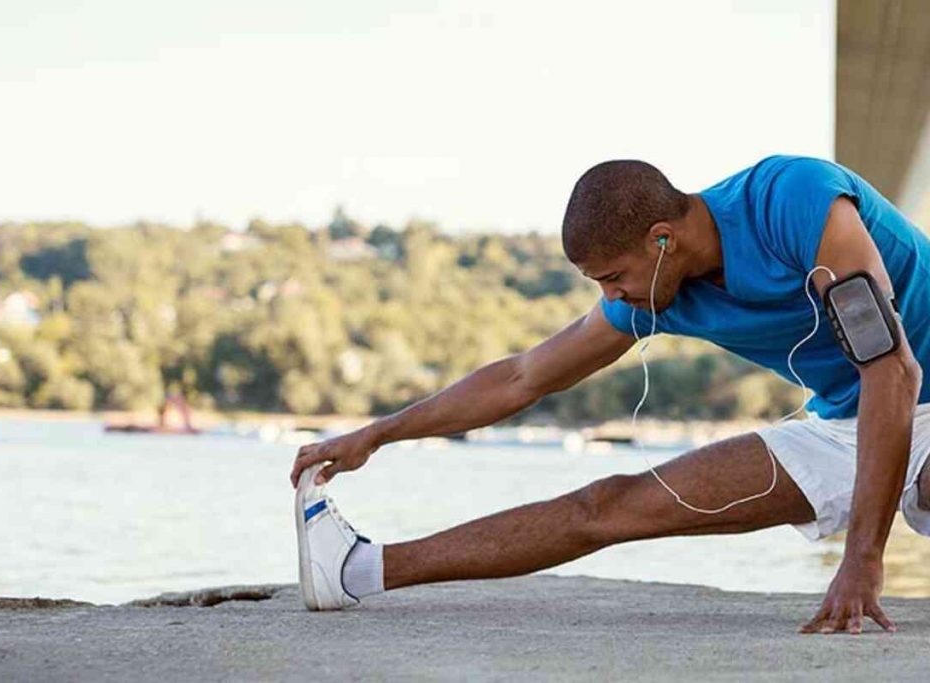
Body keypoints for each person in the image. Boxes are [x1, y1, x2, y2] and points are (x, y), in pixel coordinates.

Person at [290, 155, 930, 634]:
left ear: (662, 238)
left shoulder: (793, 200)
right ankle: (355, 571)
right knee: (607, 505)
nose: (611, 296)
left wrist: (863, 559)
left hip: (902, 382)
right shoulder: (650, 294)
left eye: (614, 277)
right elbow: (522, 377)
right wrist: (376, 433)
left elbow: (892, 370)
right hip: (844, 419)